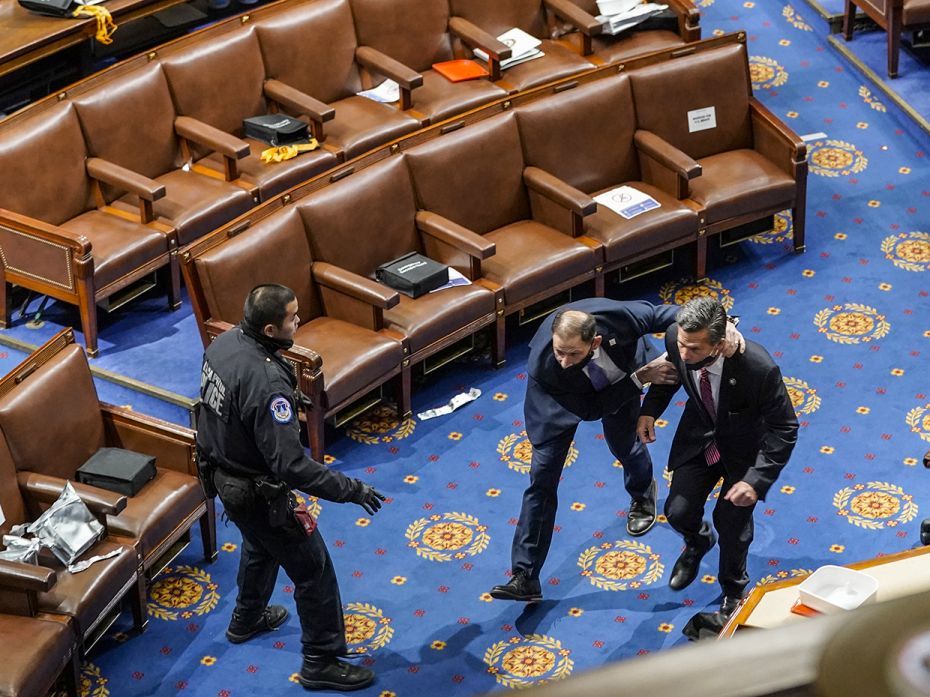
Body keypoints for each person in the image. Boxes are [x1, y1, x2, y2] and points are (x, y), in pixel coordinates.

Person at [196, 284, 386, 691]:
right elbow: (292, 466)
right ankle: (321, 661)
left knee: (259, 545)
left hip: (224, 477)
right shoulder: (267, 385)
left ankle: (246, 618)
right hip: (258, 490)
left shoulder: (224, 343)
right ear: (269, 328)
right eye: (292, 317)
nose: (299, 321)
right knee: (313, 570)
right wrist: (350, 489)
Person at [490, 298, 743, 602]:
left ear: (595, 340)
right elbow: (591, 409)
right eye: (560, 351)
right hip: (558, 407)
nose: (565, 360)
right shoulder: (547, 365)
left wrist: (720, 325)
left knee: (625, 445)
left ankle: (641, 494)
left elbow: (663, 314)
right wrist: (641, 378)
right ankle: (525, 576)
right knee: (541, 483)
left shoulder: (614, 317)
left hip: (618, 379)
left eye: (573, 353)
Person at [637, 297, 798, 617]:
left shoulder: (758, 367)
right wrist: (650, 411)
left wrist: (756, 480)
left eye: (694, 349)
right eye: (682, 344)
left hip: (745, 452)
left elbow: (785, 428)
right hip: (699, 439)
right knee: (678, 511)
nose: (684, 354)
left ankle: (733, 588)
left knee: (732, 523)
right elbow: (669, 374)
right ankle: (698, 541)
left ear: (720, 344)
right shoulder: (678, 338)